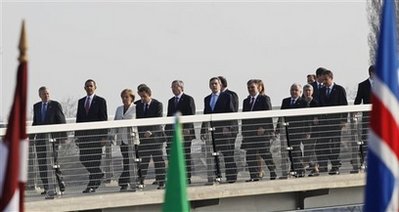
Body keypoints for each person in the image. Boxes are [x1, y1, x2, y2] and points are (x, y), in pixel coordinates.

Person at [32, 86, 66, 196]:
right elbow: (35, 123)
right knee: (42, 164)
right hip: (40, 140)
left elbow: (62, 121)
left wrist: (63, 137)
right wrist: (31, 138)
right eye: (43, 94)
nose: (46, 95)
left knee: (53, 163)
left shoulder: (55, 105)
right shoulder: (36, 106)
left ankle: (60, 184)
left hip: (53, 139)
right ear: (40, 95)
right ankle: (47, 187)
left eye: (47, 93)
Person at [76, 79, 108, 193]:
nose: (89, 88)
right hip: (84, 137)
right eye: (87, 86)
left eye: (91, 86)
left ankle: (92, 185)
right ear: (84, 88)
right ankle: (98, 174)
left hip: (96, 137)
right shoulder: (81, 102)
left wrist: (104, 136)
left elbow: (104, 118)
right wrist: (77, 136)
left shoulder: (100, 101)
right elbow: (78, 119)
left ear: (95, 87)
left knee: (95, 161)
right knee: (83, 158)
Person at [203, 77, 237, 183]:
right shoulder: (207, 98)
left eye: (215, 84)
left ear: (220, 85)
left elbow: (231, 112)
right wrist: (203, 130)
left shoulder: (227, 96)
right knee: (214, 155)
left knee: (228, 154)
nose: (214, 86)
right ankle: (217, 176)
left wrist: (228, 127)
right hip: (213, 131)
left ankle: (231, 177)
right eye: (212, 84)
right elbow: (206, 115)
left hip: (225, 131)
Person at [241, 79, 277, 181]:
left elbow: (269, 116)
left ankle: (272, 171)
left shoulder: (264, 99)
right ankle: (254, 176)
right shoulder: (246, 101)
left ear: (258, 88)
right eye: (248, 88)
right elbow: (244, 118)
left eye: (252, 87)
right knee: (250, 155)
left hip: (262, 132)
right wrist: (244, 132)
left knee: (265, 153)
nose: (250, 89)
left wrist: (265, 128)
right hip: (250, 133)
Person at [317, 70, 348, 175]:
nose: (324, 82)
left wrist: (344, 120)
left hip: (336, 123)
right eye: (323, 79)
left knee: (335, 145)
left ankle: (335, 166)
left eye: (326, 79)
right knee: (324, 145)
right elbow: (319, 106)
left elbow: (344, 105)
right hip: (324, 123)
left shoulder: (339, 89)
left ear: (331, 78)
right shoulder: (321, 91)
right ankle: (335, 163)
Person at [165, 80, 196, 184]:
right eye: (172, 87)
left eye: (175, 87)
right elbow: (169, 117)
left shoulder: (188, 99)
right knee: (173, 155)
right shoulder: (170, 101)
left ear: (181, 87)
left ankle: (187, 177)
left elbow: (191, 115)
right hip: (173, 133)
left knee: (186, 155)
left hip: (185, 133)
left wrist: (186, 129)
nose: (173, 89)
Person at [135, 85, 166, 189]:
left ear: (149, 94)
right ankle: (141, 181)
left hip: (156, 138)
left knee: (159, 161)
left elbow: (159, 120)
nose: (142, 99)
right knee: (143, 162)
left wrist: (151, 132)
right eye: (141, 97)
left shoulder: (158, 104)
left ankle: (161, 182)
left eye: (144, 96)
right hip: (143, 139)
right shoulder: (137, 105)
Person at [112, 89, 139, 191]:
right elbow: (115, 122)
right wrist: (111, 135)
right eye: (123, 97)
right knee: (126, 160)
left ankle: (124, 181)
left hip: (133, 138)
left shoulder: (136, 108)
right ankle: (127, 181)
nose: (124, 99)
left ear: (131, 98)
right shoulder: (119, 109)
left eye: (126, 97)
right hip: (122, 139)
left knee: (131, 160)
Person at [279, 83, 308, 177]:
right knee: (289, 150)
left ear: (300, 92)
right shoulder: (285, 101)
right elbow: (281, 116)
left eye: (296, 90)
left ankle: (299, 169)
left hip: (298, 130)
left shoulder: (303, 102)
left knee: (296, 149)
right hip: (287, 129)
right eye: (292, 90)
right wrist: (277, 129)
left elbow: (307, 117)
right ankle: (294, 168)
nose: (294, 92)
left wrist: (307, 131)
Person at [352, 65, 374, 172]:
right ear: (371, 73)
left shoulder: (383, 84)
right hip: (367, 117)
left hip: (380, 117)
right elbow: (358, 100)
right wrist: (355, 111)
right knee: (365, 139)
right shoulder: (362, 85)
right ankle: (362, 161)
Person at [302, 84, 319, 176]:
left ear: (312, 92)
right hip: (303, 129)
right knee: (307, 149)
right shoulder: (301, 102)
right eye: (306, 90)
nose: (307, 92)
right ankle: (313, 166)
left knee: (310, 149)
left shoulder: (315, 103)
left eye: (309, 90)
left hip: (313, 130)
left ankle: (313, 167)